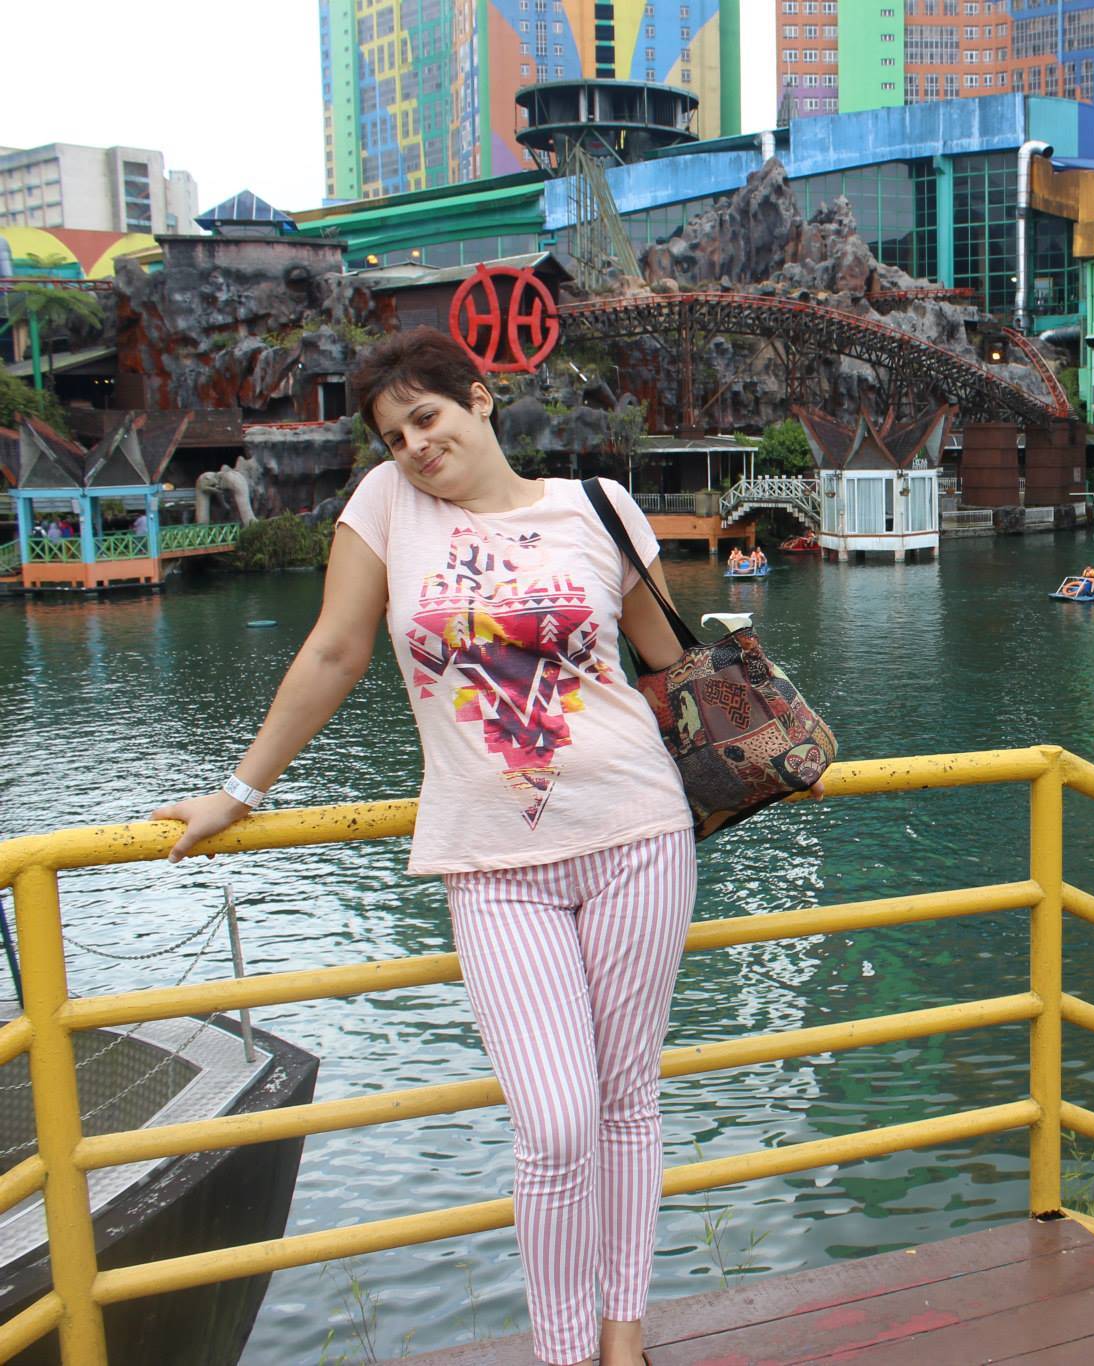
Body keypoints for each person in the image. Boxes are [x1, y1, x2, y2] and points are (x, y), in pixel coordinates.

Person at [152, 328, 704, 1366]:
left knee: (626, 1099)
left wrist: (761, 729)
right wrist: (239, 790)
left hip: (637, 833)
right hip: (489, 862)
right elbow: (334, 649)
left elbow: (665, 657)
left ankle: (622, 1338)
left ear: (479, 400)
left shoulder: (600, 506)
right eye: (395, 435)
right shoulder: (385, 506)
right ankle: (562, 1354)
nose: (414, 446)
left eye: (426, 417)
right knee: (555, 1123)